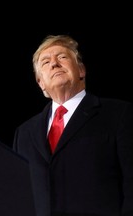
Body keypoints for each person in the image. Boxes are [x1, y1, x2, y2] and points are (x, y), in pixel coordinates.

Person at [13, 34, 133, 216]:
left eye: (62, 57)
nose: (54, 63)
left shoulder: (118, 113)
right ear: (41, 83)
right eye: (46, 62)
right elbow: (17, 195)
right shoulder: (24, 133)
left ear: (81, 70)